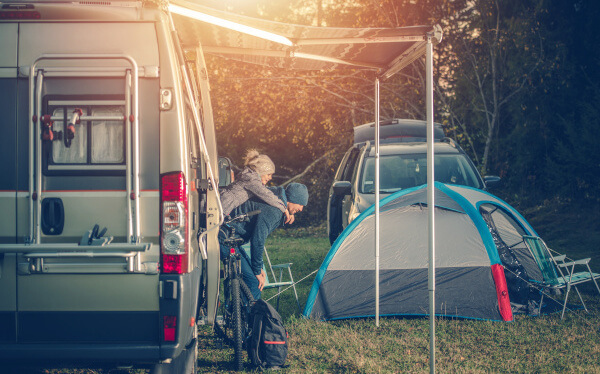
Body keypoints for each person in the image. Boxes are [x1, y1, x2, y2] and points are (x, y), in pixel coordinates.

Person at [219, 182, 309, 300]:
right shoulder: (274, 210)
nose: (301, 209)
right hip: (224, 237)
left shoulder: (277, 198)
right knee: (253, 283)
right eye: (300, 204)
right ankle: (249, 317)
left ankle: (238, 313)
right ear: (292, 198)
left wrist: (258, 267)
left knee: (249, 277)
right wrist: (257, 270)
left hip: (232, 236)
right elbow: (258, 240)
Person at [220, 149, 292, 223]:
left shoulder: (250, 176)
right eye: (269, 174)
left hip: (225, 203)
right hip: (224, 204)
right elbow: (266, 194)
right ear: (261, 171)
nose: (270, 178)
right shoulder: (252, 180)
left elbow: (267, 190)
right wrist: (284, 208)